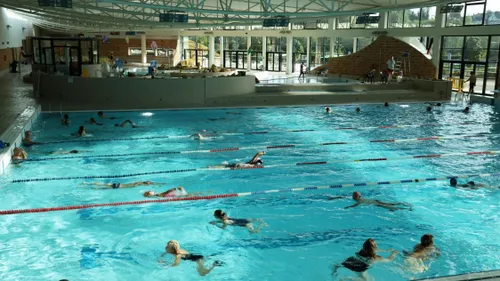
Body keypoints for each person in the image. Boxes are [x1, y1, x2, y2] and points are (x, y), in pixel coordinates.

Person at [333, 238, 398, 281]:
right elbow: (389, 260)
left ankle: (335, 272)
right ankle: (346, 279)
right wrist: (394, 253)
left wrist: (385, 251)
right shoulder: (374, 258)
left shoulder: (361, 251)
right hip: (360, 269)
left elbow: (371, 249)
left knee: (338, 265)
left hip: (351, 261)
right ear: (375, 248)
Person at [340, 192, 412, 211]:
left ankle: (406, 209)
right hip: (375, 201)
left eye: (354, 196)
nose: (353, 197)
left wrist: (348, 207)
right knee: (390, 204)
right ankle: (402, 204)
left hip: (375, 203)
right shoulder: (360, 199)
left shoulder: (359, 200)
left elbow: (355, 205)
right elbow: (344, 197)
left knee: (389, 207)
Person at [83, 180, 165, 189]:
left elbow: (150, 183)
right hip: (118, 186)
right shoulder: (137, 184)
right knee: (101, 186)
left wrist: (158, 184)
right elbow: (148, 183)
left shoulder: (138, 183)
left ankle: (88, 183)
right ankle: (87, 184)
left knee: (102, 185)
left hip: (118, 185)